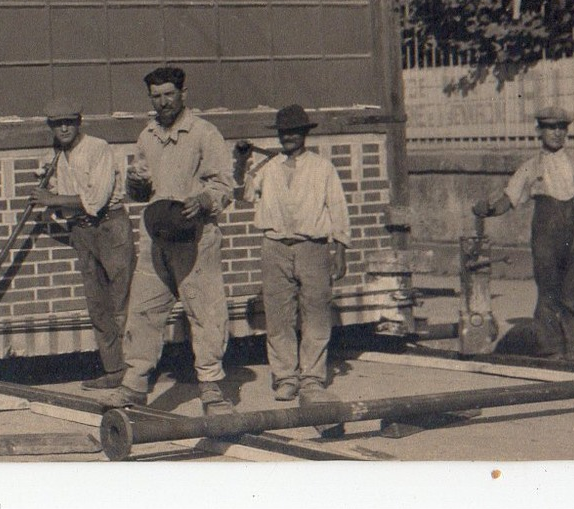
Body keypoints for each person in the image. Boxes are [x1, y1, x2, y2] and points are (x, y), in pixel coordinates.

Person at [99, 66, 237, 416]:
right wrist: (135, 181)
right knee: (143, 310)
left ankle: (210, 387)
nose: (162, 102)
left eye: (169, 95)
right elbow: (139, 189)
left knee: (205, 310)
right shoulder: (147, 137)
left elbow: (225, 186)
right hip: (156, 236)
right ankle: (134, 385)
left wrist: (203, 200)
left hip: (195, 235)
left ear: (183, 94)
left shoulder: (205, 133)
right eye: (156, 97)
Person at [473, 106, 574, 360]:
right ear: (539, 131)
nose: (557, 133)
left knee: (573, 290)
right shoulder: (530, 167)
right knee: (548, 290)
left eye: (562, 128)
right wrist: (488, 210)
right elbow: (509, 198)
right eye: (551, 128)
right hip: (545, 231)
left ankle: (572, 351)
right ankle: (550, 350)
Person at [240, 104, 351, 403]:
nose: (288, 137)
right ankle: (286, 378)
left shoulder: (322, 168)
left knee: (315, 315)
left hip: (312, 247)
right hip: (274, 247)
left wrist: (339, 250)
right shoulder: (267, 167)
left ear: (304, 133)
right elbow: (245, 193)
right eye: (283, 132)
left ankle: (312, 379)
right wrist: (240, 163)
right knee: (278, 317)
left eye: (294, 131)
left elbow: (338, 208)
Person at [27, 96, 134, 390]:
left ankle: (135, 372)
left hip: (110, 227)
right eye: (57, 124)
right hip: (82, 232)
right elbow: (58, 195)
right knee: (97, 305)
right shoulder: (56, 156)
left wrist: (53, 200)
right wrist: (47, 193)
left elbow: (96, 201)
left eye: (68, 123)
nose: (63, 129)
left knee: (122, 303)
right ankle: (114, 371)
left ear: (78, 123)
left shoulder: (98, 148)